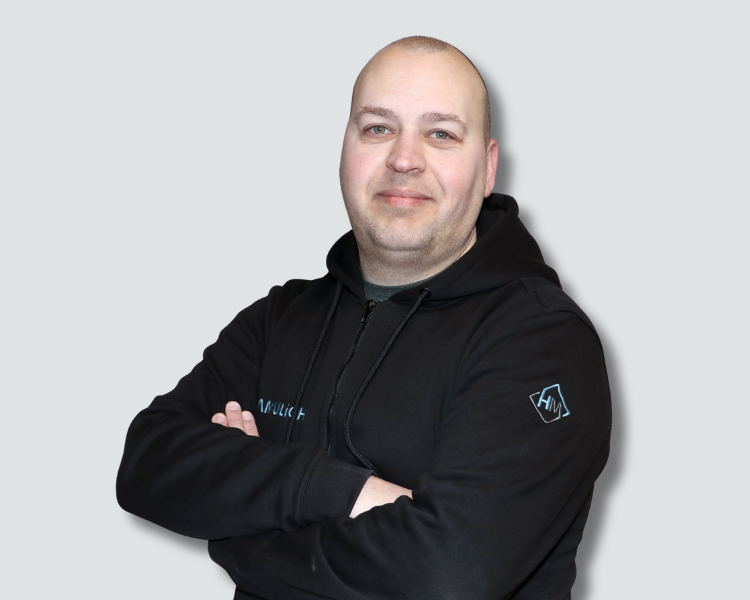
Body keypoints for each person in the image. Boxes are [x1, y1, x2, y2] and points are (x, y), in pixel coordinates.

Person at [117, 35, 611, 599]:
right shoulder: (280, 319)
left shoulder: (540, 340)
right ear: (345, 149)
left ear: (488, 167)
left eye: (441, 134)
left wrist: (240, 534)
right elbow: (145, 464)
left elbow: (448, 572)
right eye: (378, 128)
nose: (404, 158)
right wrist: (341, 491)